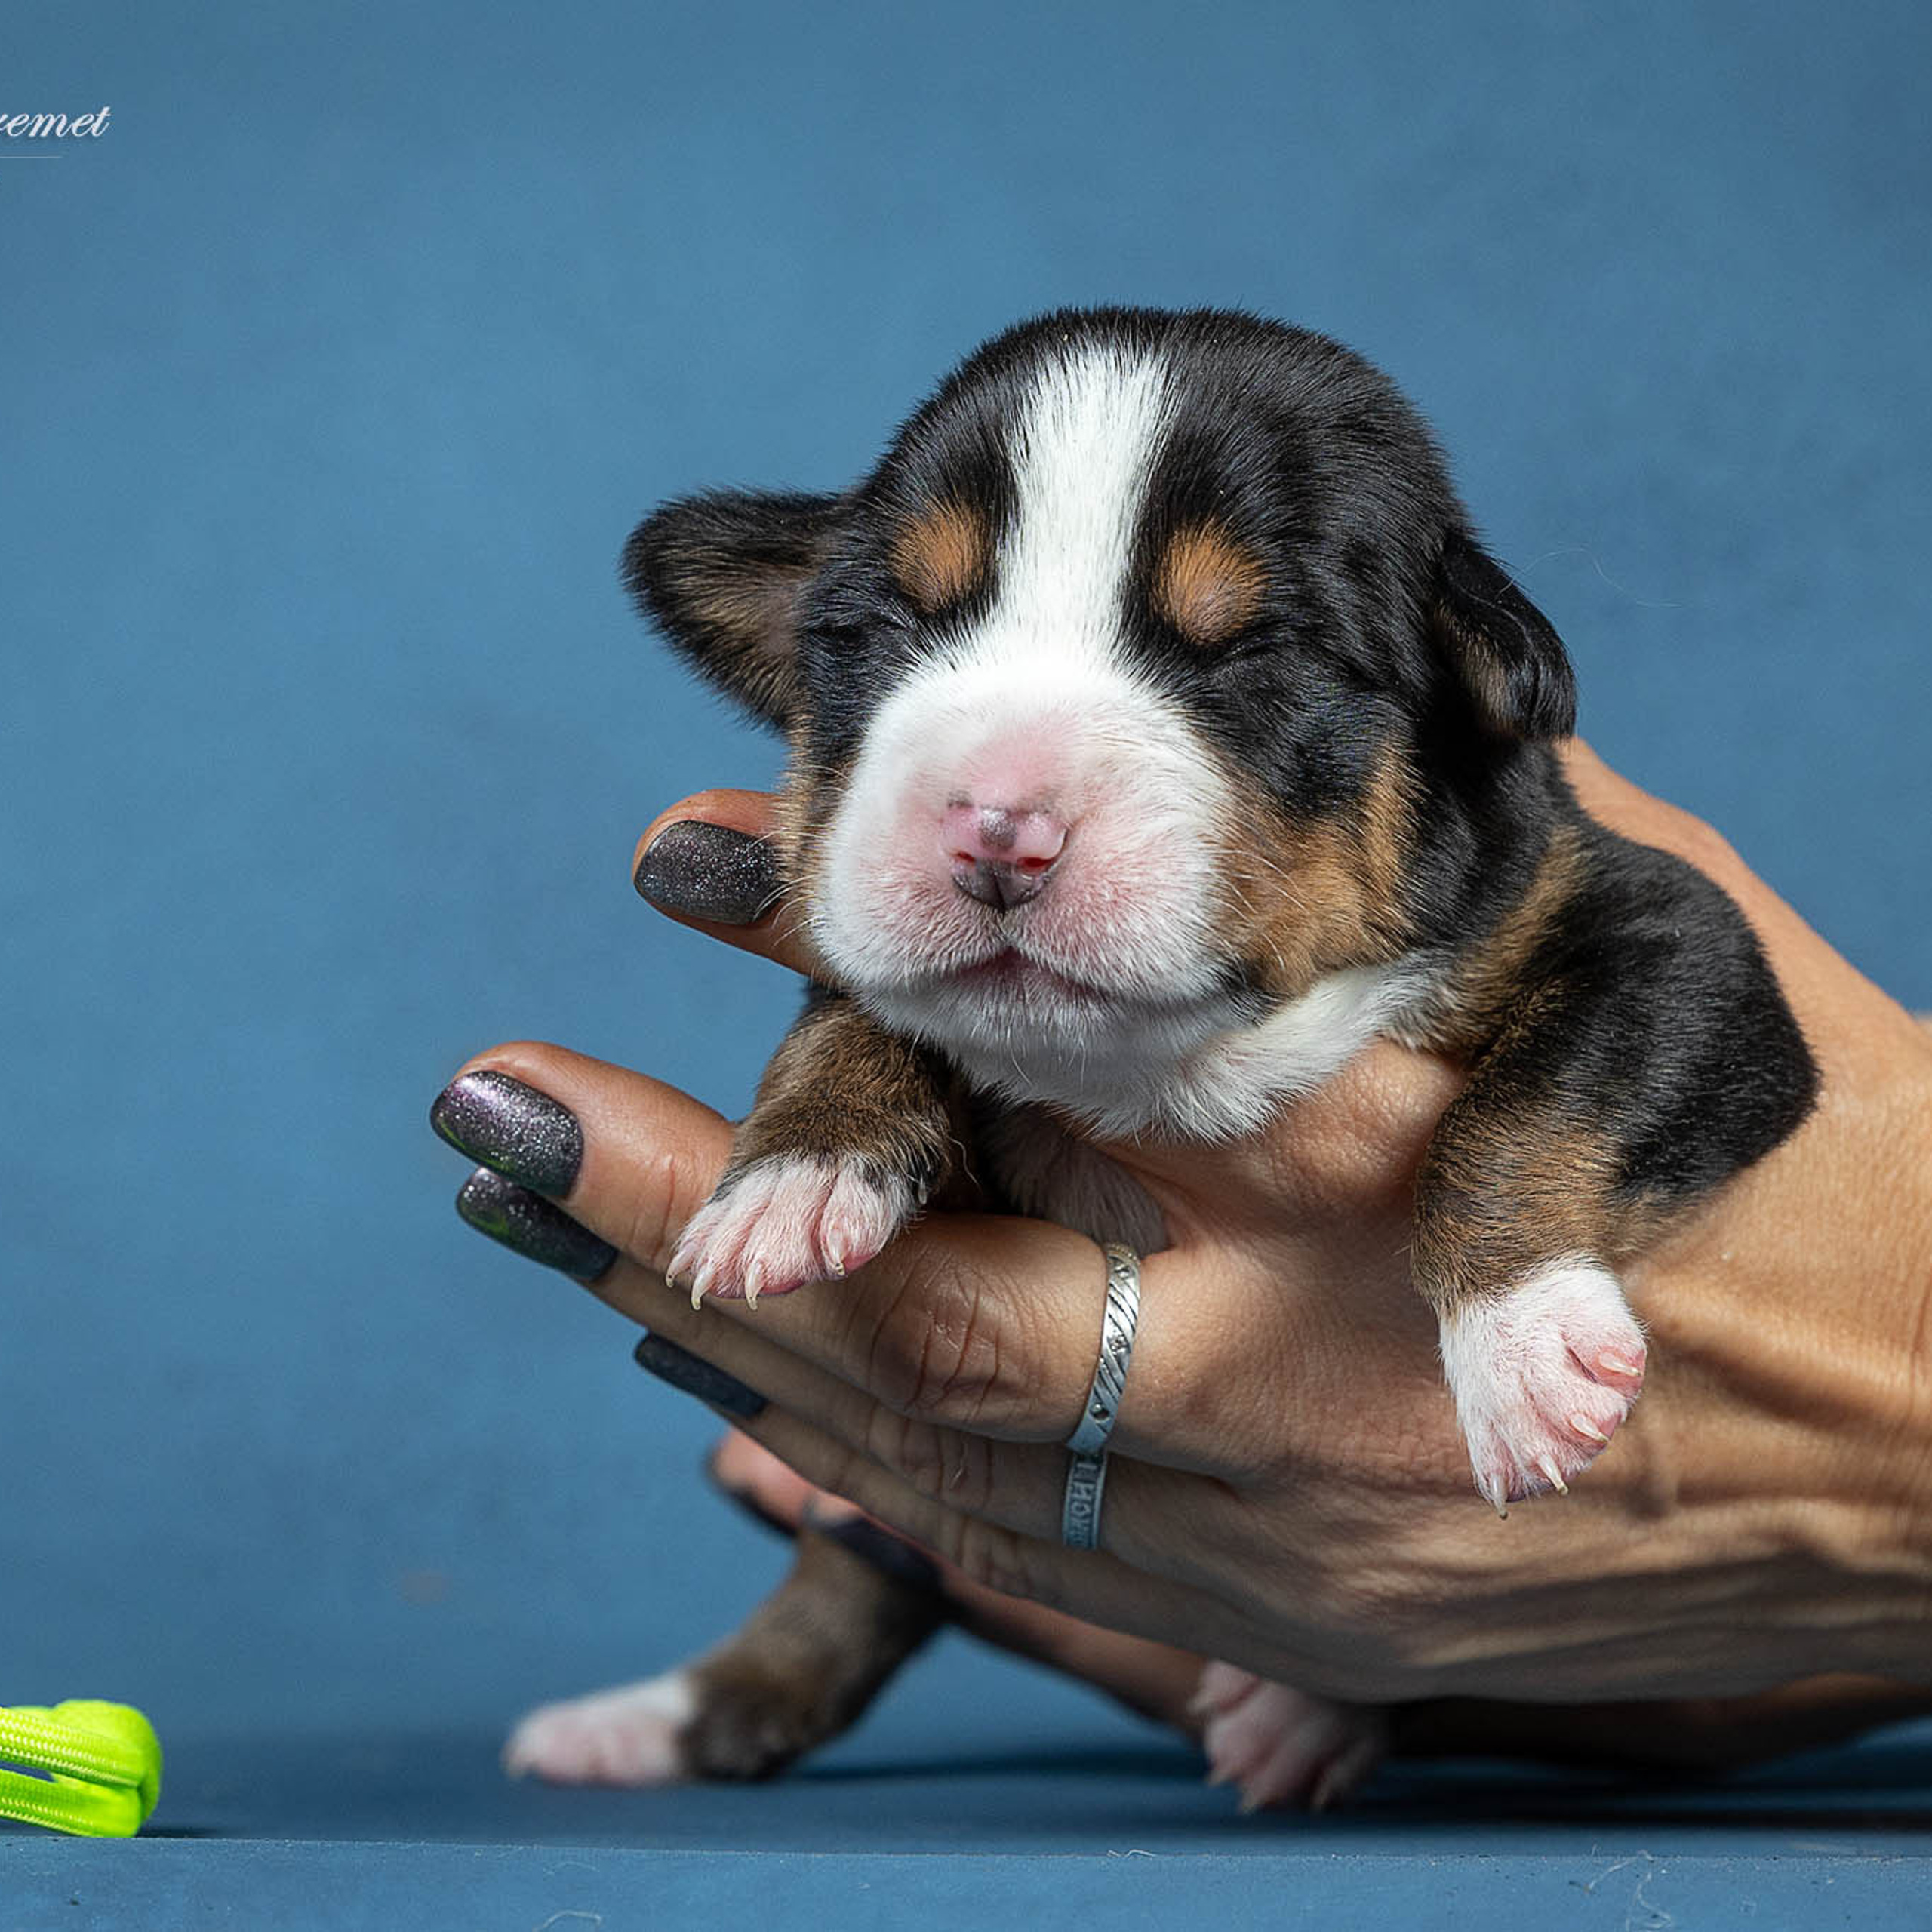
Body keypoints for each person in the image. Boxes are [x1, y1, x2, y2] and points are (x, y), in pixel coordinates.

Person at [438, 743, 1932, 1774]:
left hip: (1482, 1467)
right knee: (930, 1377)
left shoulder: (1427, 857)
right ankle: (781, 1666)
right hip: (1162, 1419)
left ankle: (1341, 1672)